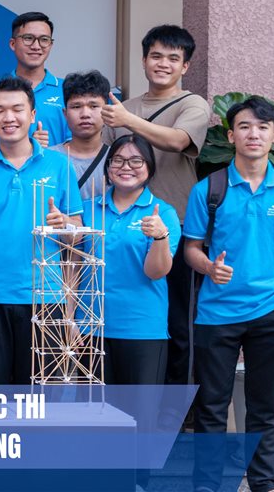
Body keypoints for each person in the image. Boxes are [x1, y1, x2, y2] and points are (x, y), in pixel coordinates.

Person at [184, 97, 274, 492]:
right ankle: (207, 485)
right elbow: (191, 249)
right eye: (244, 126)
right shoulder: (209, 190)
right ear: (231, 136)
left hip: (271, 313)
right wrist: (209, 267)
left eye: (262, 127)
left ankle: (263, 483)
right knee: (211, 407)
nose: (253, 134)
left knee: (264, 406)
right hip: (216, 315)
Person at [0, 76, 82, 385]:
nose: (8, 117)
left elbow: (77, 240)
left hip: (46, 297)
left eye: (17, 109)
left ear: (33, 115)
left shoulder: (59, 165)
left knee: (40, 398)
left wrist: (65, 225)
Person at [102, 24, 209, 389]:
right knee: (129, 320)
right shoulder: (124, 109)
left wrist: (127, 120)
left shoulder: (192, 104)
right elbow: (109, 163)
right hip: (124, 229)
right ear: (144, 60)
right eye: (156, 56)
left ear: (185, 66)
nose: (163, 64)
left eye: (173, 58)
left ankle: (175, 410)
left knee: (178, 324)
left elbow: (178, 141)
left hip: (175, 226)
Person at [78, 135, 181, 492]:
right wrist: (72, 318)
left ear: (149, 168)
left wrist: (159, 238)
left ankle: (136, 483)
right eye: (118, 160)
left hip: (142, 329)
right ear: (107, 168)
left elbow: (156, 272)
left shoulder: (163, 213)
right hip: (91, 327)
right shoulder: (87, 209)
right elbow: (72, 266)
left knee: (140, 417)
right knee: (95, 413)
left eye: (136, 161)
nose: (126, 167)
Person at [0, 12, 69, 148]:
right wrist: (25, 148)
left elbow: (77, 146)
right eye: (28, 38)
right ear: (13, 44)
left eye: (44, 39)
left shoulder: (67, 90)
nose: (36, 46)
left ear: (51, 44)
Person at [51, 70, 111, 201]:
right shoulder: (48, 158)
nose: (85, 114)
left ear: (106, 111)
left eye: (93, 106)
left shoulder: (117, 160)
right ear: (65, 114)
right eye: (76, 106)